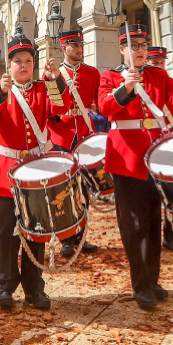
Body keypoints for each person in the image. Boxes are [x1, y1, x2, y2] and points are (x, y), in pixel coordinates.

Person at [99, 23, 173, 310]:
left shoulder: (158, 75)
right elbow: (104, 109)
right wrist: (126, 87)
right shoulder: (110, 75)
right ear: (122, 48)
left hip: (156, 155)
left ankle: (152, 280)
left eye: (143, 45)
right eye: (134, 45)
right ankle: (140, 284)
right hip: (126, 156)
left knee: (154, 220)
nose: (140, 50)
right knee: (134, 224)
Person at [0, 34, 69, 311]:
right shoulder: (0, 88)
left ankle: (34, 287)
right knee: (7, 231)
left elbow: (61, 107)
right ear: (9, 65)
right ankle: (5, 285)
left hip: (36, 169)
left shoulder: (43, 88)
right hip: (9, 170)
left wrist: (56, 79)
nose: (24, 65)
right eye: (18, 61)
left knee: (36, 229)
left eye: (28, 61)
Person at [50, 28, 101, 257]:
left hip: (85, 135)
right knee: (64, 189)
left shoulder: (92, 73)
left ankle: (81, 235)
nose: (79, 49)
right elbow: (50, 111)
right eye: (74, 46)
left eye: (81, 45)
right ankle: (65, 240)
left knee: (83, 189)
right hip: (62, 135)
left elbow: (100, 104)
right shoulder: (54, 74)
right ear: (64, 48)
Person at [145, 46, 173, 254]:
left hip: (171, 142)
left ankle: (171, 236)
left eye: (162, 63)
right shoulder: (145, 83)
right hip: (151, 143)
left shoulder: (169, 83)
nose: (160, 67)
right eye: (155, 64)